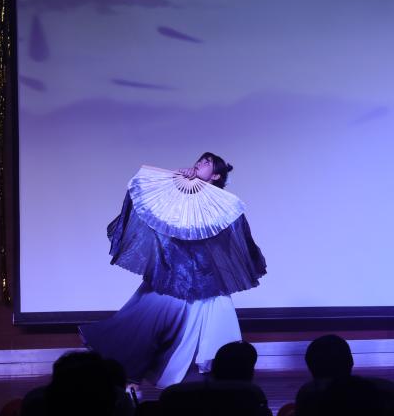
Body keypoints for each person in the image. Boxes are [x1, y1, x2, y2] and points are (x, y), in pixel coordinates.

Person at [79, 153, 267, 388]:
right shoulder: (180, 194)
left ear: (216, 176)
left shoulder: (222, 204)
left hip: (204, 278)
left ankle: (184, 381)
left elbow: (228, 241)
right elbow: (153, 207)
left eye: (207, 163)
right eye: (200, 160)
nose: (200, 163)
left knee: (194, 333)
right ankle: (131, 375)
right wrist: (174, 181)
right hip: (174, 272)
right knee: (144, 320)